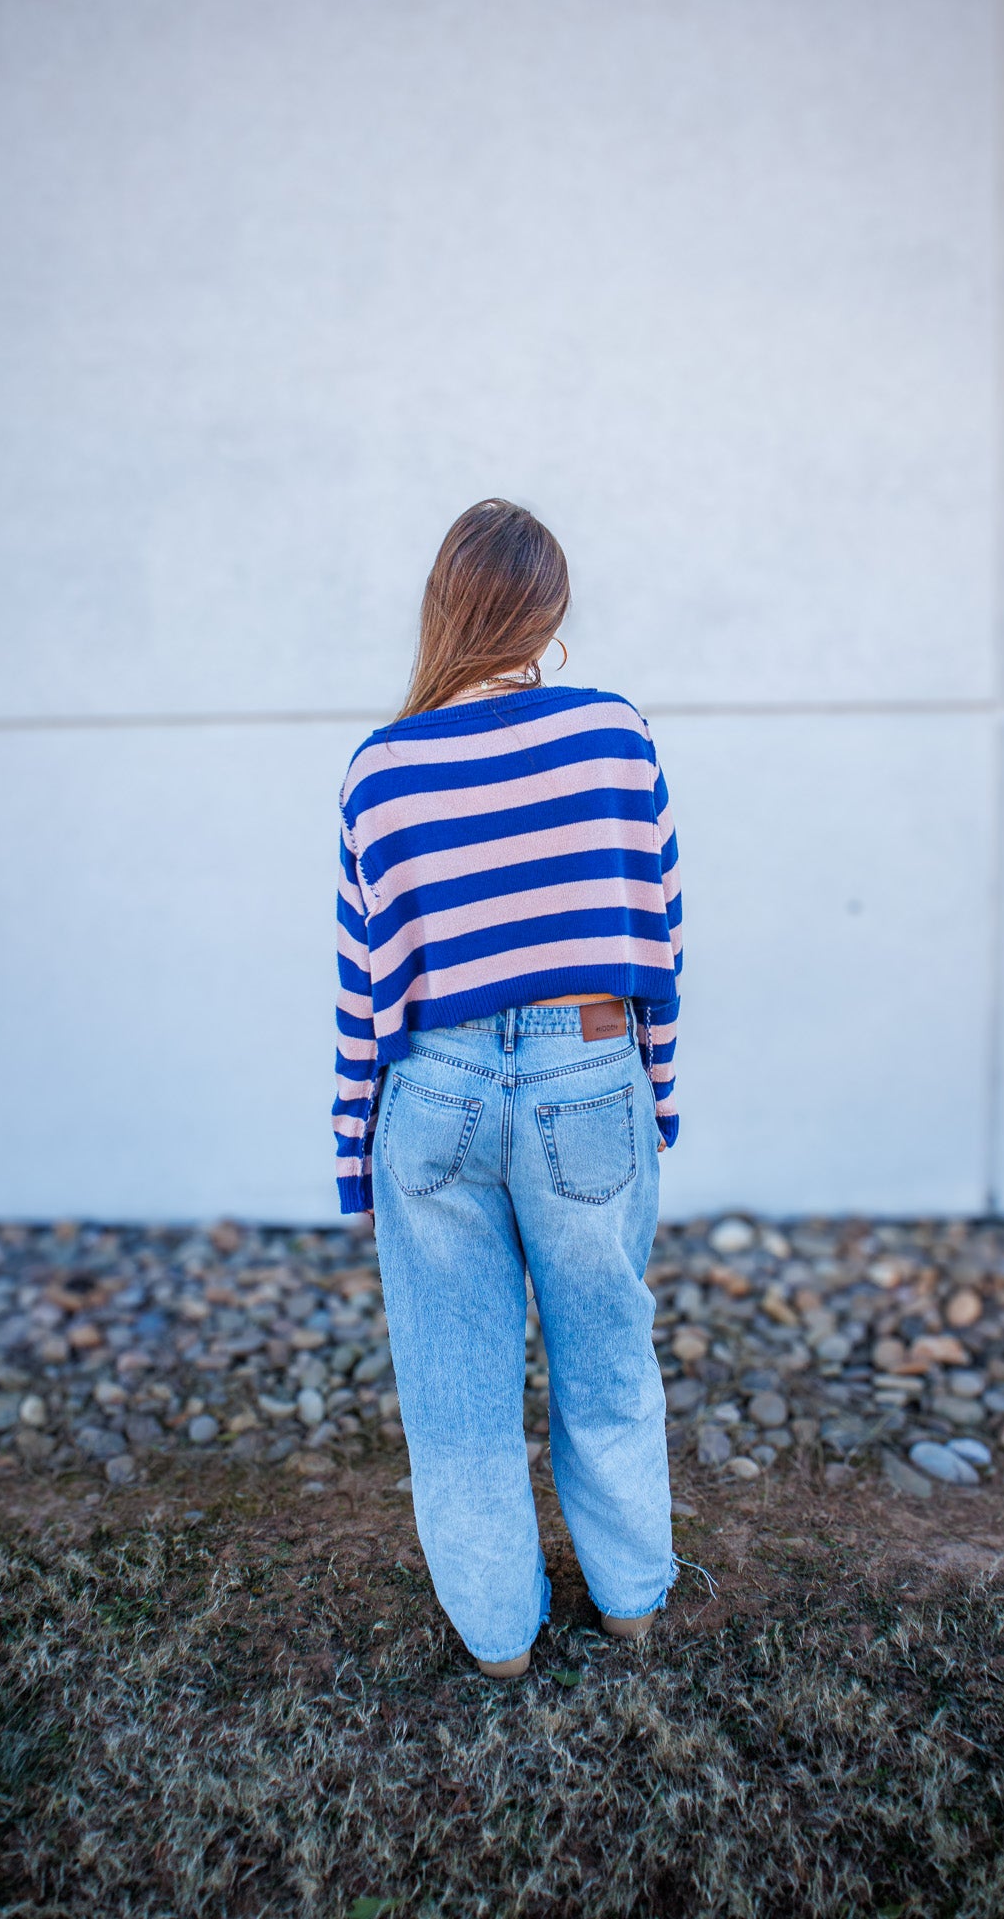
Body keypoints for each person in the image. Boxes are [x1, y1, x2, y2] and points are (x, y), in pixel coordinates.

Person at [331, 498, 683, 1678]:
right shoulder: (614, 734)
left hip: (433, 1084)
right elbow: (660, 935)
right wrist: (658, 1097)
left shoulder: (380, 770)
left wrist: (353, 1154)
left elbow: (364, 986)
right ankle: (629, 1604)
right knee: (609, 1357)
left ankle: (498, 1641)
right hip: (590, 1068)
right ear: (548, 612)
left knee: (457, 1390)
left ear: (443, 606)